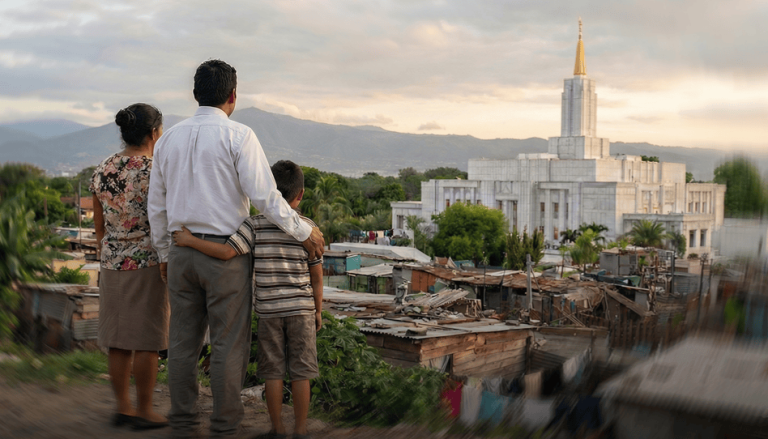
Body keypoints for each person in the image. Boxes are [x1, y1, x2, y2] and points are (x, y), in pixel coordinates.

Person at [148, 60, 324, 438]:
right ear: (232, 96)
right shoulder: (240, 136)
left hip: (181, 251)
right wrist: (301, 231)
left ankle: (182, 422)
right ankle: (225, 425)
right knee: (228, 343)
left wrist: (164, 255)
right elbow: (266, 198)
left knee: (181, 342)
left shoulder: (167, 140)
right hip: (226, 254)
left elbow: (156, 206)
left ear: (195, 94)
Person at [173, 160, 322, 439]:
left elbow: (227, 253)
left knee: (273, 372)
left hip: (268, 312)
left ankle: (277, 429)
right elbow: (317, 274)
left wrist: (190, 241)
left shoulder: (253, 225)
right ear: (300, 194)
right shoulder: (308, 229)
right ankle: (300, 430)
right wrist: (318, 310)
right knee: (301, 372)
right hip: (302, 310)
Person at [91, 103, 168, 430]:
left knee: (119, 337)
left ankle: (123, 407)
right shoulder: (157, 169)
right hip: (148, 261)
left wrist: (110, 249)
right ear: (154, 133)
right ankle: (146, 410)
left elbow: (98, 226)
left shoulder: (104, 167)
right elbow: (165, 221)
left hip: (111, 261)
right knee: (147, 339)